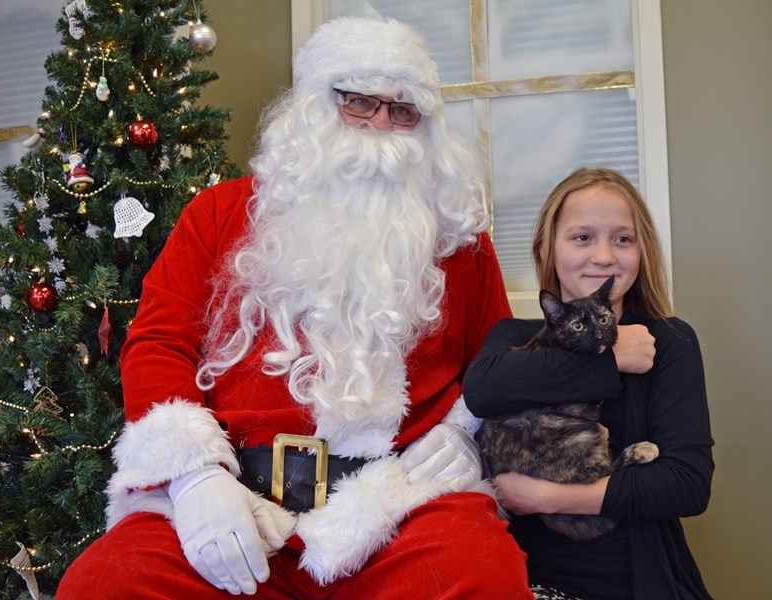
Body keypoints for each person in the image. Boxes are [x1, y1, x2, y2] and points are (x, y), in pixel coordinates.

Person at [57, 16, 533, 599]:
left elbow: (500, 363)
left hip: (399, 503)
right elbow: (159, 343)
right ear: (314, 106)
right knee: (107, 583)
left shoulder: (458, 236)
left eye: (402, 110)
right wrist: (194, 475)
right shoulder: (218, 214)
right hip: (236, 498)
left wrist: (466, 435)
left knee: (483, 573)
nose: (382, 125)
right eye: (360, 102)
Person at [463, 167, 714, 600]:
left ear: (642, 250)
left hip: (638, 578)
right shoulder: (515, 336)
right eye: (582, 237)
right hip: (527, 578)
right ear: (547, 248)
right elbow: (483, 390)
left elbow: (686, 485)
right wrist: (612, 359)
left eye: (623, 239)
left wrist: (546, 497)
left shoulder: (669, 341)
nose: (603, 256)